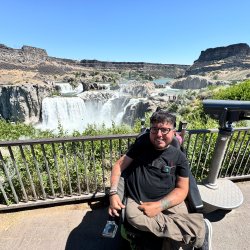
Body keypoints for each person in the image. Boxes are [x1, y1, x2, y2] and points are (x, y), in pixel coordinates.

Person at [108, 110, 212, 249]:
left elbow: (182, 188)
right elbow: (119, 165)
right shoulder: (141, 146)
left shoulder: (179, 157)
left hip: (169, 200)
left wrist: (159, 206)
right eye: (155, 129)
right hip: (138, 199)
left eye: (164, 130)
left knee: (178, 219)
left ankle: (194, 230)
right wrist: (113, 193)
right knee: (132, 217)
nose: (158, 134)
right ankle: (198, 229)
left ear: (173, 132)